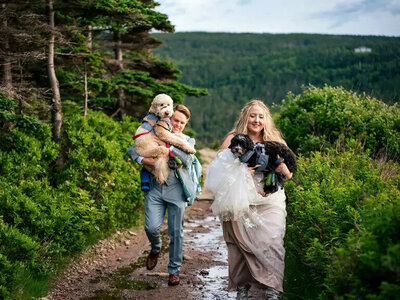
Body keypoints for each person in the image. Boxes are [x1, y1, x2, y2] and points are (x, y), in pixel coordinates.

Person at [207, 100, 292, 299]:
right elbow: (218, 168)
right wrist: (240, 169)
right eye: (253, 116)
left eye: (261, 116)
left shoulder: (275, 139)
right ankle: (243, 287)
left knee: (273, 240)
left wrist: (282, 170)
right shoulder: (232, 139)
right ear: (246, 117)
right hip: (240, 198)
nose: (257, 120)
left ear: (266, 119)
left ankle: (273, 288)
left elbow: (288, 174)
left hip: (270, 199)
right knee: (239, 244)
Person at [127, 104, 201, 286]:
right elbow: (132, 149)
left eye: (182, 122)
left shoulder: (188, 140)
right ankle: (156, 247)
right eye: (176, 120)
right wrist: (142, 159)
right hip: (155, 188)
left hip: (176, 188)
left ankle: (174, 271)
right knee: (151, 227)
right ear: (169, 118)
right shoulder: (153, 132)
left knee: (176, 233)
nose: (178, 125)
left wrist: (168, 149)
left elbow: (188, 158)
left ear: (186, 124)